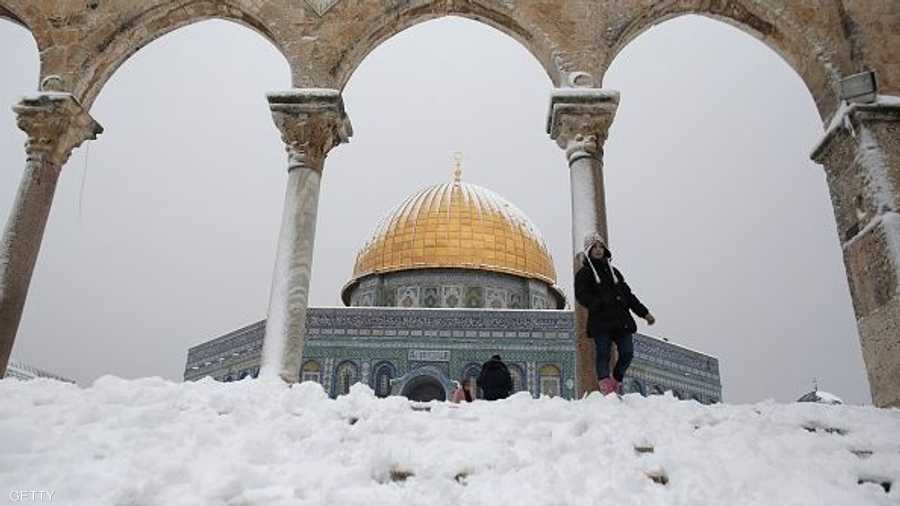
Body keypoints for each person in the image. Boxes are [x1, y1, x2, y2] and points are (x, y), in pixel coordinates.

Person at [575, 232, 655, 396]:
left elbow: (629, 296)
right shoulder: (585, 273)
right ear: (589, 251)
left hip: (621, 320)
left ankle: (616, 379)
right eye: (594, 247)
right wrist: (597, 303)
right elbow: (581, 294)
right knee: (603, 353)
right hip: (601, 321)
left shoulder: (614, 273)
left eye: (601, 247)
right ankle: (605, 385)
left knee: (627, 353)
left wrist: (644, 313)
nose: (598, 250)